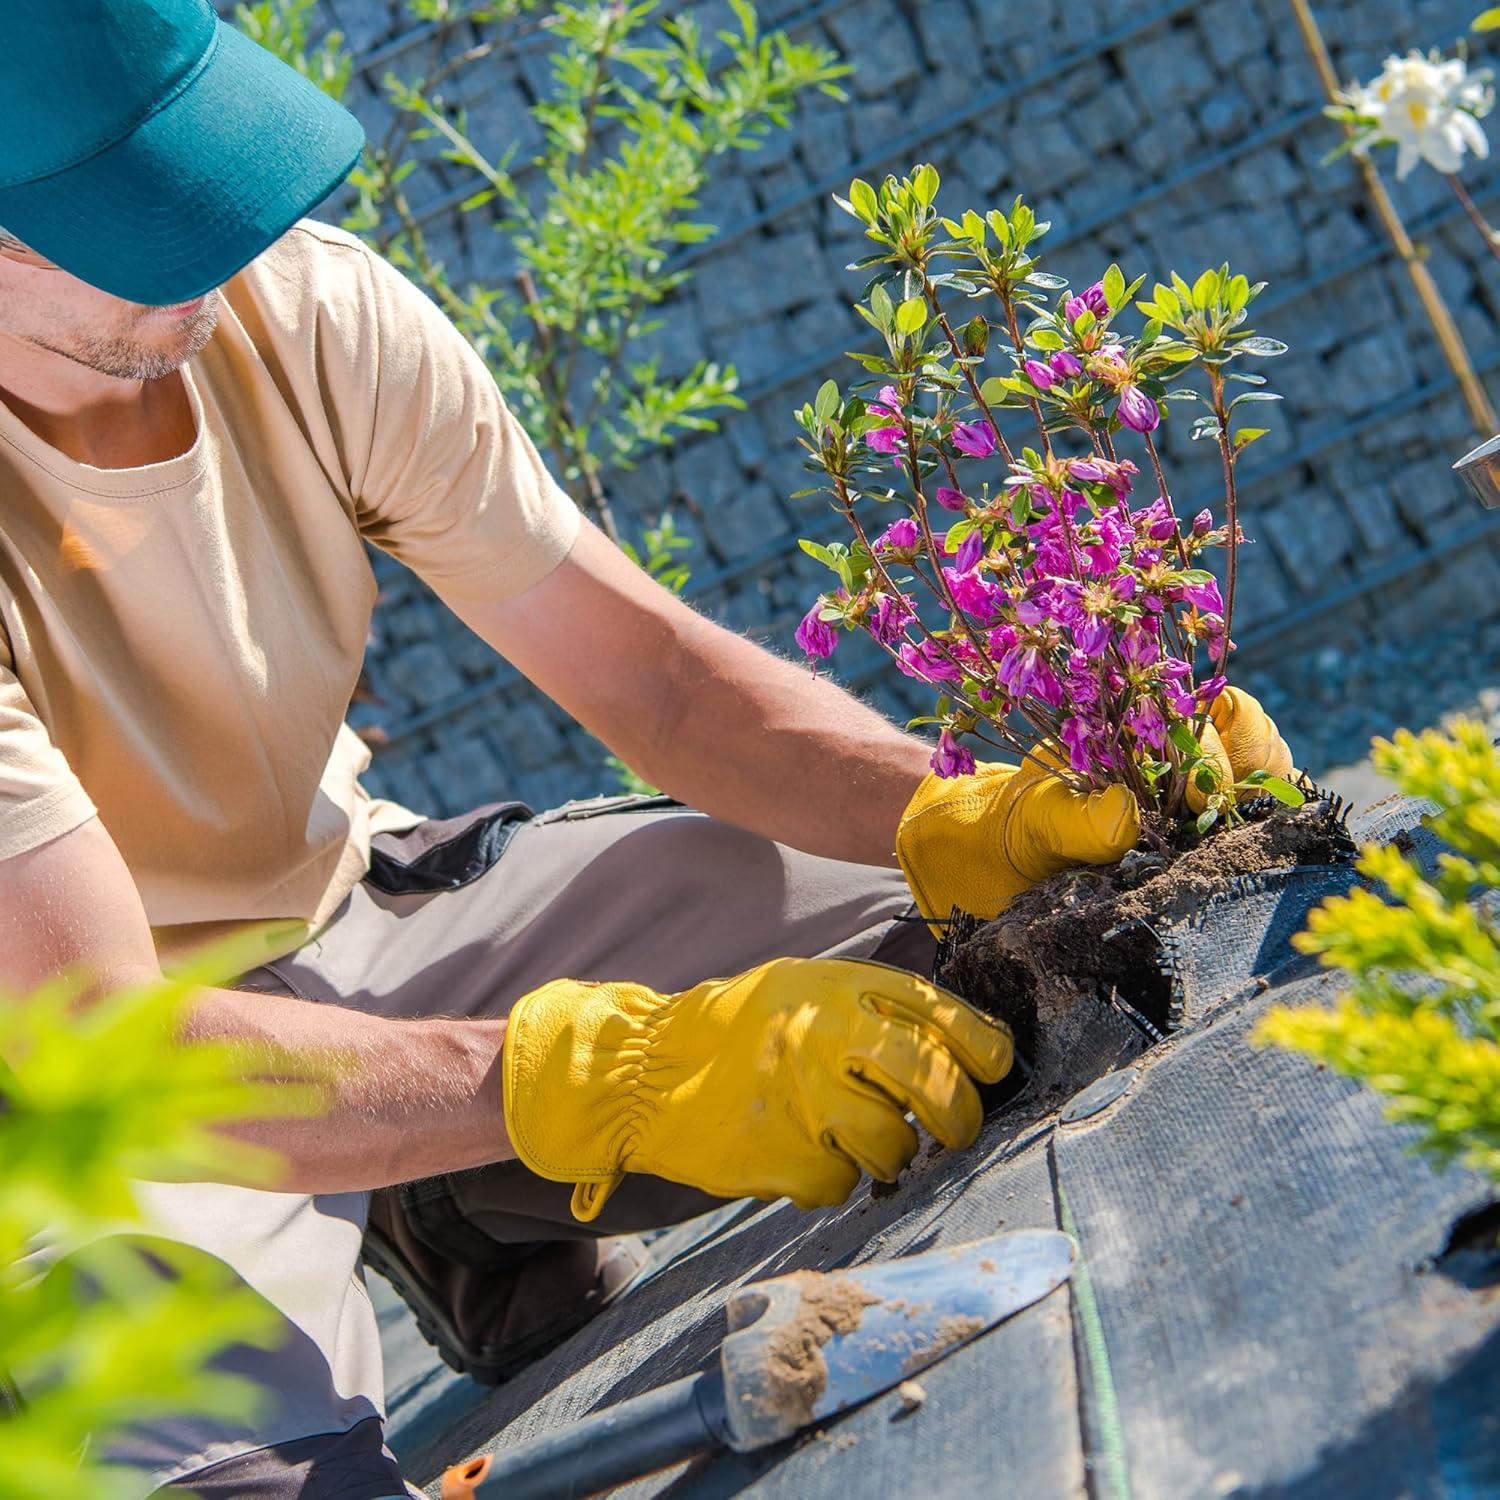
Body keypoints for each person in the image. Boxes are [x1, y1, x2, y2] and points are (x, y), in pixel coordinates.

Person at [0, 3, 1294, 1495]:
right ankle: (452, 1133)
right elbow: (106, 1040)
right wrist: (607, 1075)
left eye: (202, 163)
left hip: (349, 908)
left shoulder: (305, 315)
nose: (219, 238)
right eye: (136, 211)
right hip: (99, 1074)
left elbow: (659, 684)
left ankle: (452, 1191)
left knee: (989, 961)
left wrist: (965, 815)